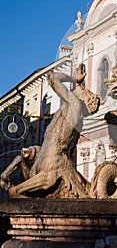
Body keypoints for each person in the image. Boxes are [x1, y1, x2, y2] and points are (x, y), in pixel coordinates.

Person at [1, 64, 100, 198]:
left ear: (86, 101)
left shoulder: (75, 106)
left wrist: (73, 80)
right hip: (44, 157)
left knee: (16, 192)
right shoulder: (67, 112)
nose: (83, 89)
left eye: (87, 92)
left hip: (51, 162)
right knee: (25, 154)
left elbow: (53, 77)